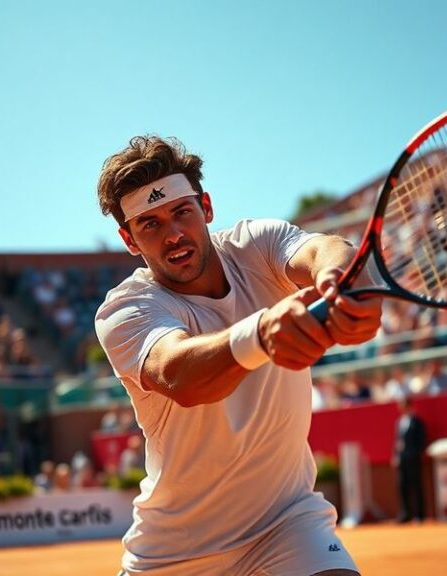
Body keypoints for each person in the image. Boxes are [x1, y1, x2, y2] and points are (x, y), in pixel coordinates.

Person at [94, 136, 382, 576]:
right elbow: (178, 374)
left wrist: (339, 282)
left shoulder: (257, 245)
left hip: (285, 522)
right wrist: (262, 334)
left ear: (206, 207)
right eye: (149, 224)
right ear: (129, 239)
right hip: (174, 554)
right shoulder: (125, 308)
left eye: (181, 212)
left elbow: (325, 249)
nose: (173, 235)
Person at [391, 396, 426, 523]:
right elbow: (397, 441)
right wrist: (396, 456)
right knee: (402, 486)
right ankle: (405, 514)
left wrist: (414, 454)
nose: (401, 408)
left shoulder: (417, 422)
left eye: (403, 405)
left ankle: (420, 515)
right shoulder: (399, 422)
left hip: (414, 459)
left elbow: (421, 441)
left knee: (416, 485)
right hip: (402, 459)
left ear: (409, 406)